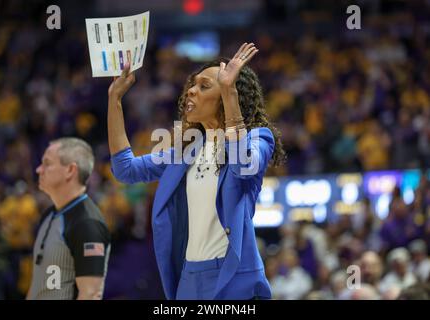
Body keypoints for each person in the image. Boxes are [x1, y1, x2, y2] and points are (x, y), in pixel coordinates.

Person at [108, 43, 285, 300]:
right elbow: (125, 169)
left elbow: (243, 166)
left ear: (227, 94)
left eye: (204, 86)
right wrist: (115, 100)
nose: (191, 90)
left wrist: (230, 93)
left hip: (235, 280)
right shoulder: (187, 152)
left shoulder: (259, 138)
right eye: (192, 84)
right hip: (189, 279)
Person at [27, 138, 111, 300]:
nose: (38, 169)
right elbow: (38, 285)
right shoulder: (49, 215)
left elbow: (91, 294)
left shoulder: (87, 223)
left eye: (47, 163)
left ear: (70, 170)